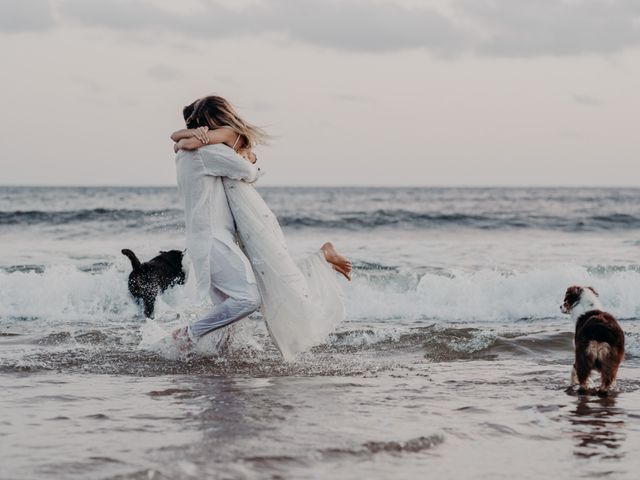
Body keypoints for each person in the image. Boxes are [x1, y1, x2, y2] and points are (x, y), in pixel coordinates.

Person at [171, 96, 351, 358]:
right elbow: (249, 171)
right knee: (249, 297)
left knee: (247, 297)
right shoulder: (209, 152)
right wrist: (245, 157)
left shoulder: (192, 152)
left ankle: (217, 359)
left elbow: (183, 142)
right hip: (213, 241)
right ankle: (188, 336)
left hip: (209, 242)